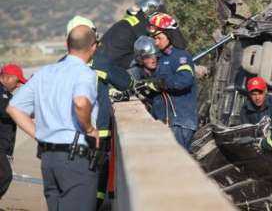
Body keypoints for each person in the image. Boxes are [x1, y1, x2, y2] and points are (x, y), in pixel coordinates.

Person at [7, 17, 100, 211]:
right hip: (75, 159)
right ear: (93, 47)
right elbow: (81, 102)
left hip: (48, 159)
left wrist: (40, 134)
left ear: (67, 45)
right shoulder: (85, 73)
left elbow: (14, 107)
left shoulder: (45, 72)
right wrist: (90, 129)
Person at [65, 16, 134, 210]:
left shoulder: (61, 65)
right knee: (97, 178)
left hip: (69, 135)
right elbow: (126, 82)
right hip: (98, 132)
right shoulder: (101, 62)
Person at [140, 13, 196, 151]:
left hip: (179, 123)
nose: (156, 42)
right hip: (166, 121)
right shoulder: (162, 58)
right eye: (154, 39)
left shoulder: (180, 56)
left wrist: (160, 83)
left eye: (159, 38)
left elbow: (184, 80)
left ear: (169, 35)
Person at [100, 0, 166, 69]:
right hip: (116, 65)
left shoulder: (132, 21)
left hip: (103, 61)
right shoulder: (142, 27)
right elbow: (148, 50)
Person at [0, 64, 27, 199]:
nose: (18, 86)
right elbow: (5, 110)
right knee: (5, 176)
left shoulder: (7, 95)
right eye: (18, 82)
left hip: (5, 146)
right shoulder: (1, 93)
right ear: (7, 78)